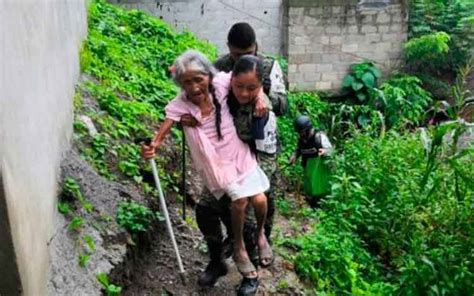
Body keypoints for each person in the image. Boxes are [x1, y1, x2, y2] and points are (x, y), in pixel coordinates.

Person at [140, 50, 272, 295]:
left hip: (243, 155)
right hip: (217, 165)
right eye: (186, 81)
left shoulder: (230, 86)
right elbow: (163, 129)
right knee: (212, 209)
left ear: (209, 76)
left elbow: (249, 79)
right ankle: (221, 261)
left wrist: (261, 94)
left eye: (198, 79)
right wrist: (153, 146)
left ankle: (251, 272)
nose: (194, 86)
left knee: (254, 210)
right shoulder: (189, 101)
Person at [214, 22, 288, 117]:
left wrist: (268, 92)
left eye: (249, 53)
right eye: (238, 55)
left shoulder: (269, 66)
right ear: (229, 47)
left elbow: (283, 108)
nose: (244, 59)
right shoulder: (219, 67)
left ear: (256, 46)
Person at [289, 115, 333, 207]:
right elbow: (299, 149)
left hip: (320, 170)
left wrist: (325, 151)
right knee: (310, 190)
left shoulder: (319, 137)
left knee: (320, 191)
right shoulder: (302, 140)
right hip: (308, 168)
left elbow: (331, 151)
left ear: (308, 129)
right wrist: (294, 156)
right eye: (299, 133)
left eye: (302, 132)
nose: (301, 135)